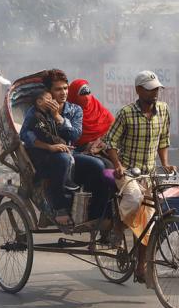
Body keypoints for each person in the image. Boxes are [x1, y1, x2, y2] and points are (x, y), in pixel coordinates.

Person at [104, 70, 176, 283]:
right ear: (138, 90)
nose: (154, 93)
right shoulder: (126, 113)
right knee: (134, 198)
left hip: (149, 172)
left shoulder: (163, 110)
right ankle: (117, 228)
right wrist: (117, 165)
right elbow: (110, 142)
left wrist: (165, 163)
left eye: (156, 89)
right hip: (127, 171)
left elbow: (164, 140)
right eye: (149, 89)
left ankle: (141, 267)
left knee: (149, 223)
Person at [20, 69, 111, 225]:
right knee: (61, 159)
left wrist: (57, 117)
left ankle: (94, 214)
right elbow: (25, 134)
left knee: (99, 165)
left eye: (65, 88)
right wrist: (49, 147)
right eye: (58, 89)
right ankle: (60, 208)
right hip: (44, 156)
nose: (63, 93)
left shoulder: (75, 110)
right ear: (49, 91)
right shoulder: (36, 110)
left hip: (69, 153)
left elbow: (75, 135)